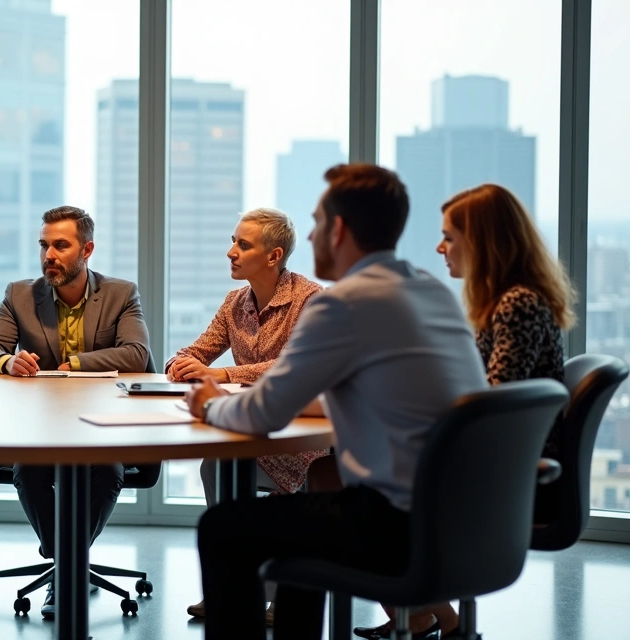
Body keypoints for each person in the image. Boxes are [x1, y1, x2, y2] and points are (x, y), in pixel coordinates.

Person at [187, 163, 488, 640]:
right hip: (470, 514)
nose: (310, 238)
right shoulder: (431, 293)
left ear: (339, 230)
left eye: (317, 223)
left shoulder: (341, 304)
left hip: (395, 520)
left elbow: (264, 412)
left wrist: (209, 405)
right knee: (303, 531)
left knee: (225, 528)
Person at [355, 183, 577, 640]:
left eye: (449, 237)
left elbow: (493, 403)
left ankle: (425, 618)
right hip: (502, 463)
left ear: (484, 241)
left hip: (506, 473)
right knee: (339, 479)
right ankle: (439, 622)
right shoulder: (510, 300)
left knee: (349, 489)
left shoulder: (518, 304)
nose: (440, 247)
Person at [0, 205, 152, 618]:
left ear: (87, 250)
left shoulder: (121, 293)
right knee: (27, 471)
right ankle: (70, 566)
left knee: (107, 472)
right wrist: (6, 362)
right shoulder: (20, 294)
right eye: (44, 245)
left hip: (105, 429)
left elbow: (137, 354)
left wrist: (73, 365)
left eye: (60, 245)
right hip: (41, 429)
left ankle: (64, 568)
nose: (48, 255)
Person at [166, 208, 327, 620]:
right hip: (252, 425)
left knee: (224, 469)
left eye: (243, 244)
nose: (230, 252)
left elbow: (293, 368)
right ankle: (232, 586)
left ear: (273, 256)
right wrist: (180, 363)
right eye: (233, 241)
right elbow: (200, 350)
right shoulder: (234, 302)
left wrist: (222, 372)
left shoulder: (310, 301)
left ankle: (260, 593)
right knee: (214, 467)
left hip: (301, 436)